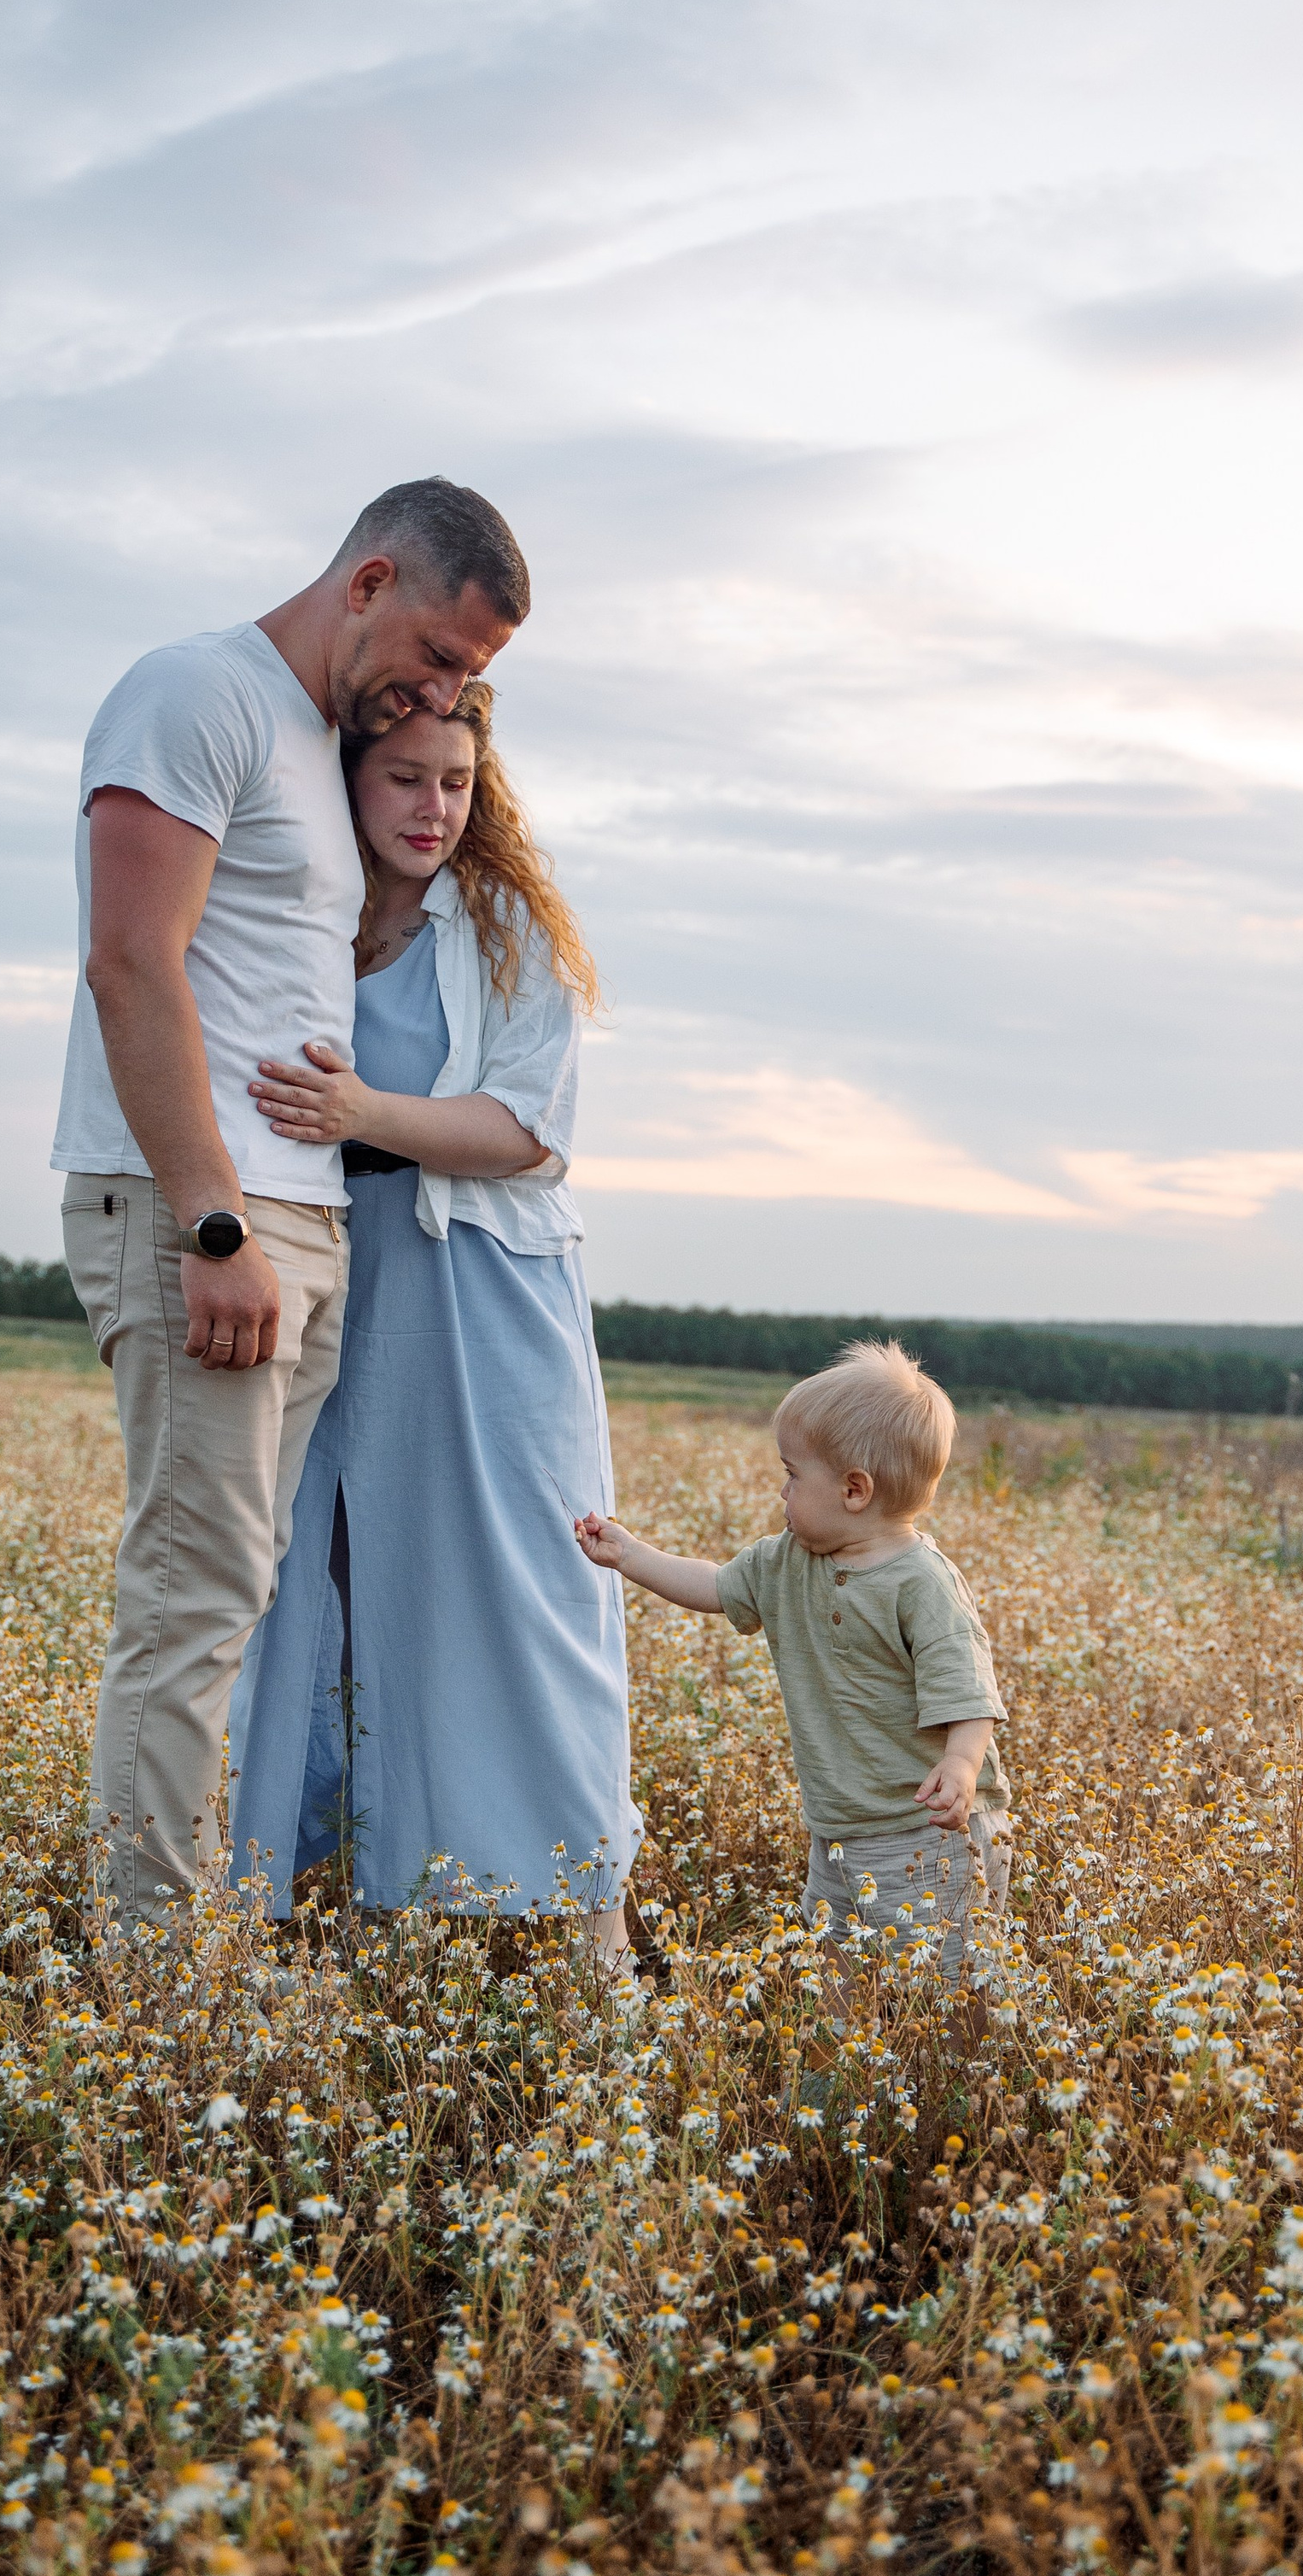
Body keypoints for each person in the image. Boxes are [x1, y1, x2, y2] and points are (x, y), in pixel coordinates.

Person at [52, 477, 530, 1944]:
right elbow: (133, 965)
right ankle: (148, 1978)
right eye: (442, 659)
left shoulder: (323, 747)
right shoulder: (195, 694)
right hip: (203, 1211)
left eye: (471, 681)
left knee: (239, 1595)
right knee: (194, 1598)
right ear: (371, 578)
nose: (445, 696)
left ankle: (184, 1927)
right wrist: (212, 1227)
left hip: (299, 1217)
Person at [223, 676, 638, 1958]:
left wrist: (363, 1118)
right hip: (331, 1277)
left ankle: (592, 1923)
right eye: (405, 778)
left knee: (525, 1592)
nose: (434, 807)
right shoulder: (304, 916)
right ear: (347, 776)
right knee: (316, 1585)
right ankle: (346, 1903)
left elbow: (527, 1133)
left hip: (481, 1296)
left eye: (456, 782)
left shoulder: (509, 924)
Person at [575, 1341, 1010, 1977]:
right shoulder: (785, 1561)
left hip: (929, 1833)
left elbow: (968, 1687)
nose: (782, 1491)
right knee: (830, 1965)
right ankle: (829, 2074)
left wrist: (962, 1764)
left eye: (793, 1474)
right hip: (838, 1828)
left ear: (854, 1490)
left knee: (950, 1980)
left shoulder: (923, 1583)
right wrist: (630, 1555)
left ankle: (962, 2074)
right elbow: (716, 1587)